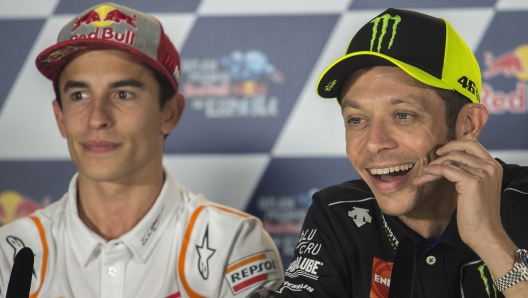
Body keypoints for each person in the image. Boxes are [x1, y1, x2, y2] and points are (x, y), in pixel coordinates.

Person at [0, 3, 283, 297]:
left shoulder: (234, 245)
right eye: (79, 95)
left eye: (123, 94)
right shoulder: (8, 253)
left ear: (170, 113)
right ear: (60, 118)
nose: (97, 118)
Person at [274, 8, 528, 298]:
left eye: (403, 115)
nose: (374, 143)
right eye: (357, 120)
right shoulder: (339, 213)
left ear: (468, 125)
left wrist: (490, 240)